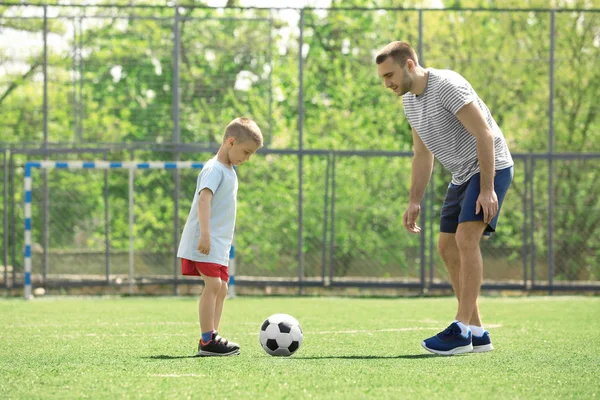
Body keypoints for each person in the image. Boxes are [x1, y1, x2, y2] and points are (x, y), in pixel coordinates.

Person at [375, 41, 514, 355]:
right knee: (446, 246)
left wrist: (488, 188)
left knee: (466, 238)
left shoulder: (447, 86)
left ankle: (460, 328)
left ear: (410, 64)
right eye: (383, 78)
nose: (387, 84)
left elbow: (484, 134)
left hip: (490, 167)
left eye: (390, 75)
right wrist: (414, 200)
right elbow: (422, 155)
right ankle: (477, 331)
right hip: (462, 175)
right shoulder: (409, 101)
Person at [177, 117, 263, 356]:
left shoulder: (229, 170)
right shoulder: (214, 169)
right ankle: (207, 340)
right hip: (205, 240)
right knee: (213, 284)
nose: (246, 158)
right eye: (245, 152)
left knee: (222, 287)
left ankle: (212, 336)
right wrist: (204, 235)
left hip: (219, 243)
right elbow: (204, 200)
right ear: (230, 142)